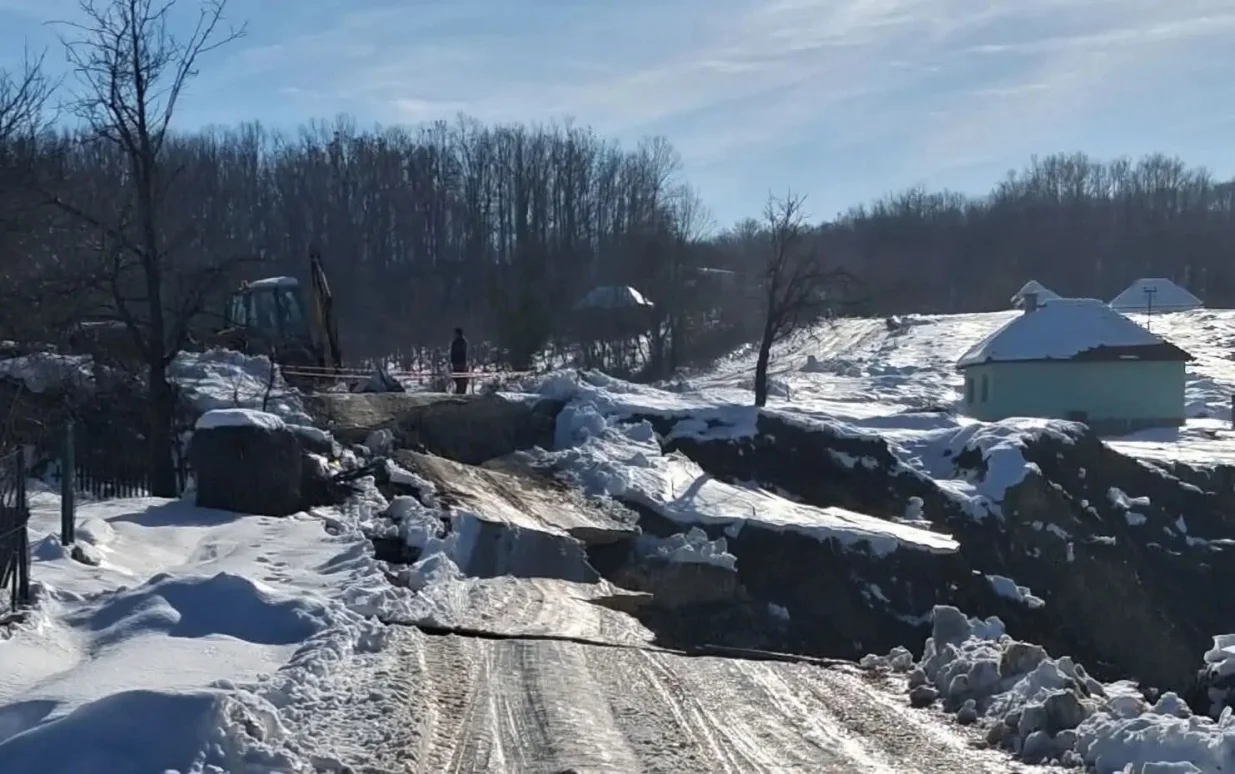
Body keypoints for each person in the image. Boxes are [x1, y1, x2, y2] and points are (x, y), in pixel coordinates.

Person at [449, 327, 469, 394]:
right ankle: (460, 390)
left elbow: (454, 352)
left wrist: (452, 360)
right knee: (459, 377)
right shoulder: (463, 341)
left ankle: (460, 390)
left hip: (458, 362)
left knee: (458, 377)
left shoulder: (457, 342)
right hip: (461, 362)